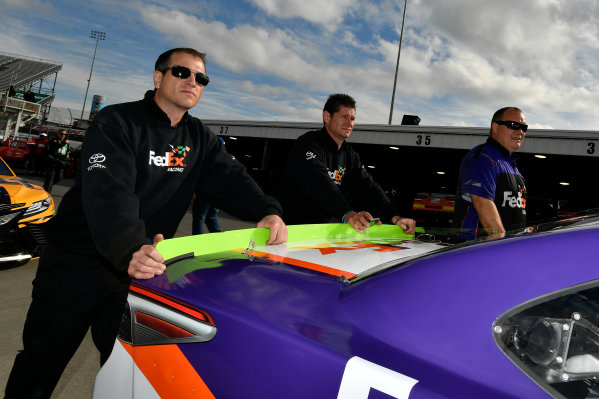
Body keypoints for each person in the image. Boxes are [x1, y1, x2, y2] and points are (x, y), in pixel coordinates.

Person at [5, 47, 287, 399]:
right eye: (182, 72)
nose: (192, 82)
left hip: (137, 272)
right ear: (158, 77)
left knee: (131, 371)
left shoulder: (199, 138)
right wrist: (129, 247)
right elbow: (109, 191)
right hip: (77, 265)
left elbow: (231, 179)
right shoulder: (116, 122)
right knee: (42, 362)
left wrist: (267, 209)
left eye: (201, 78)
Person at [274, 93, 415, 234]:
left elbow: (369, 188)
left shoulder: (350, 155)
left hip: (318, 233)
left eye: (352, 118)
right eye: (344, 117)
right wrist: (348, 214)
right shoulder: (308, 143)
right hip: (286, 231)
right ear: (327, 117)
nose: (350, 123)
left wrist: (394, 217)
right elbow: (318, 181)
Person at [453, 107, 528, 240]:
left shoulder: (513, 166)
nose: (520, 131)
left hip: (506, 249)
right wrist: (502, 245)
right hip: (478, 251)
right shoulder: (482, 158)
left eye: (524, 127)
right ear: (495, 127)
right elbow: (482, 203)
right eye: (514, 125)